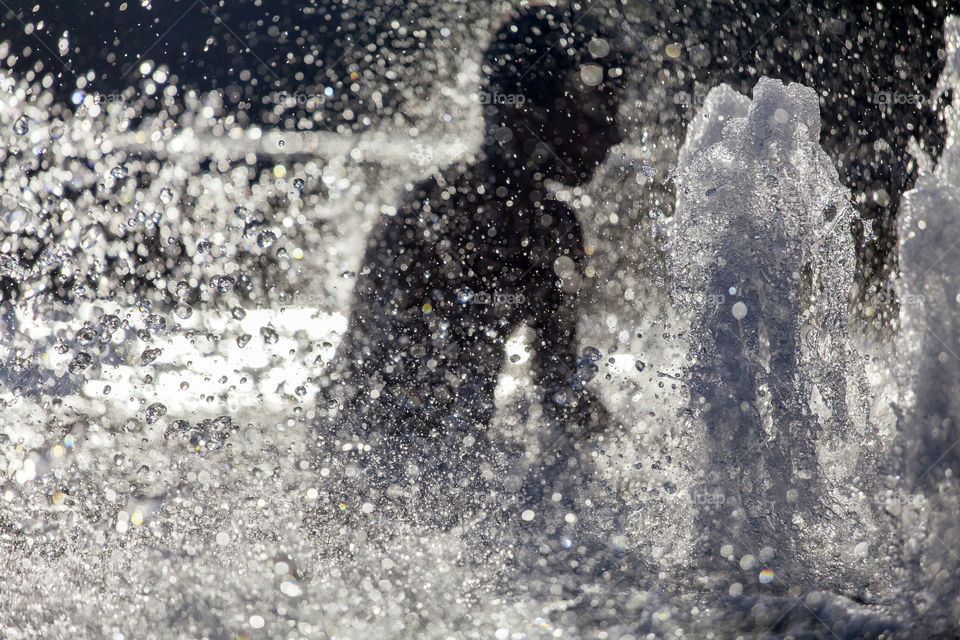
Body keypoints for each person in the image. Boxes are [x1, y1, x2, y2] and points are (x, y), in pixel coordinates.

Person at [318, 3, 629, 479]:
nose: (612, 133)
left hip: (391, 470)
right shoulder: (447, 221)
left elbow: (558, 393)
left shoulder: (540, 225)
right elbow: (388, 411)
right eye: (593, 110)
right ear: (520, 111)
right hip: (379, 476)